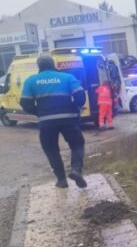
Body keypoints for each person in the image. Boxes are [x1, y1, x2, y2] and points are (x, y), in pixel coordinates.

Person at [20, 55, 88, 189]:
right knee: (77, 144)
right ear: (53, 64)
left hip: (46, 121)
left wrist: (39, 112)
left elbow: (25, 102)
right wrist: (75, 109)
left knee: (51, 149)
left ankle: (61, 180)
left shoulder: (31, 81)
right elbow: (80, 95)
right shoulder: (67, 77)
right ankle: (75, 169)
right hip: (68, 118)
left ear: (39, 66)